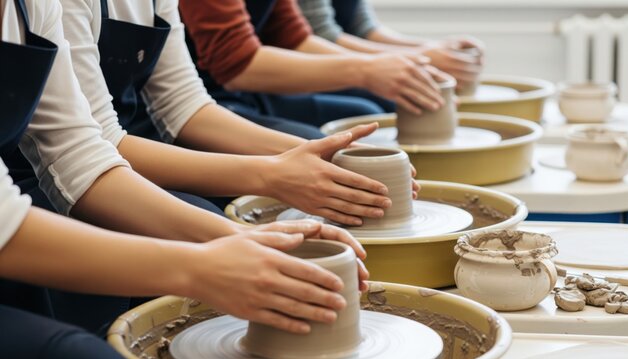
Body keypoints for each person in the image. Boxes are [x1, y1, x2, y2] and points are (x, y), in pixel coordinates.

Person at [0, 0, 366, 340]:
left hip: (82, 164)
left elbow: (86, 149)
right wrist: (202, 264)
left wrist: (242, 230)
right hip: (27, 185)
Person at [56, 0, 414, 224]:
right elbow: (89, 148)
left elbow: (185, 104)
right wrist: (270, 173)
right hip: (56, 172)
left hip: (121, 137)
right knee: (218, 214)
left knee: (326, 153)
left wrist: (318, 155)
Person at [179, 0, 449, 129]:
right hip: (205, 99)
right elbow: (236, 64)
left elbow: (294, 38)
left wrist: (384, 65)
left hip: (241, 92)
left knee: (366, 114)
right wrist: (366, 70)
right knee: (338, 148)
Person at [297, 0, 485, 94]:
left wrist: (434, 48)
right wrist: (420, 57)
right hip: (305, 71)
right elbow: (322, 35)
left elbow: (365, 28)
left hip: (340, 57)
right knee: (379, 108)